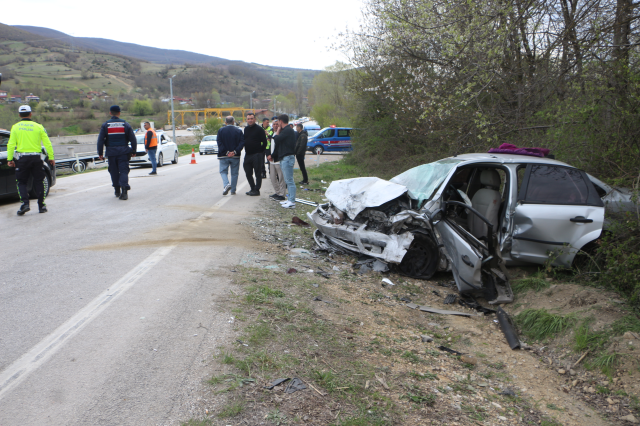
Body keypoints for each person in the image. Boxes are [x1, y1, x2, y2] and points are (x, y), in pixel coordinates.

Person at [6, 105, 55, 215]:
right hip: (36, 158)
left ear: (19, 115)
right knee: (39, 181)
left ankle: (25, 204)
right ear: (31, 114)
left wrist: (10, 159)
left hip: (22, 159)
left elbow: (11, 144)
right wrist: (51, 157)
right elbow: (47, 143)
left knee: (22, 182)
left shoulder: (15, 127)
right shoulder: (39, 126)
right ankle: (41, 206)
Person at [98, 105, 137, 200]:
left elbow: (100, 140)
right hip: (123, 152)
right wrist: (134, 150)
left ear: (110, 113)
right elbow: (133, 139)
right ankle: (124, 192)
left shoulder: (105, 125)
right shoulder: (125, 124)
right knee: (123, 171)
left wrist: (100, 153)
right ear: (119, 113)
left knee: (113, 171)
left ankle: (117, 190)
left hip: (111, 152)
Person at [272, 114, 297, 209]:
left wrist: (278, 130)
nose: (277, 123)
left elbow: (276, 139)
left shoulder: (287, 130)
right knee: (287, 180)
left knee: (289, 180)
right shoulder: (287, 130)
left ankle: (292, 201)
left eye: (278, 121)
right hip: (285, 158)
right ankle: (290, 199)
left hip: (288, 158)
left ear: (281, 121)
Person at [216, 116, 245, 195]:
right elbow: (242, 143)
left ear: (225, 122)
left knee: (223, 171)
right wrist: (234, 152)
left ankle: (226, 184)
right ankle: (233, 190)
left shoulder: (221, 130)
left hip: (223, 156)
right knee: (234, 173)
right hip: (235, 156)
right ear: (233, 122)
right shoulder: (238, 131)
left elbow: (219, 143)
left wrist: (226, 152)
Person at [243, 113, 268, 196]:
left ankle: (257, 190)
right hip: (248, 154)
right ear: (247, 120)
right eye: (248, 119)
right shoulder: (246, 129)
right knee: (248, 173)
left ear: (255, 119)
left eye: (252, 118)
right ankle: (252, 188)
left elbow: (264, 142)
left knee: (258, 173)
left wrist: (260, 151)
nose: (250, 120)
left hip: (257, 154)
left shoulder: (259, 129)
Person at [267, 120, 286, 201]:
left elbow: (278, 148)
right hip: (272, 160)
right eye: (274, 124)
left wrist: (273, 155)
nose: (275, 126)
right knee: (272, 177)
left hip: (278, 159)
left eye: (277, 124)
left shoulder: (280, 134)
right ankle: (277, 192)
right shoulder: (273, 134)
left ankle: (282, 194)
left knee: (281, 178)